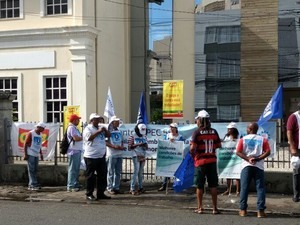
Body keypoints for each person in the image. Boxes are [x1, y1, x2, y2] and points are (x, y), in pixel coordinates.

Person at [236, 122, 271, 218]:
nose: (246, 129)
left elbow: (238, 152)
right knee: (260, 188)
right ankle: (260, 211)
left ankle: (243, 210)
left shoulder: (243, 139)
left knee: (244, 188)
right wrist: (258, 158)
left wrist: (248, 159)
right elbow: (268, 151)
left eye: (247, 128)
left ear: (250, 129)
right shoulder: (262, 139)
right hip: (258, 166)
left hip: (246, 166)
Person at [190, 110, 222, 215]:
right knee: (213, 185)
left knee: (200, 186)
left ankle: (200, 208)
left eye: (197, 119)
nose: (197, 121)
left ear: (200, 120)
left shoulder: (197, 132)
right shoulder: (214, 131)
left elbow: (192, 148)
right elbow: (218, 146)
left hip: (200, 162)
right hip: (212, 161)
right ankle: (215, 208)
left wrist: (193, 156)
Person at [82, 113, 111, 201]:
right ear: (92, 120)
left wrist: (105, 130)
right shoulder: (87, 129)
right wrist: (98, 131)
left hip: (101, 156)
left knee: (102, 175)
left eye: (99, 119)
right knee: (90, 176)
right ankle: (89, 193)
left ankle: (100, 193)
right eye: (96, 119)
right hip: (91, 156)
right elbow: (89, 138)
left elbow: (108, 135)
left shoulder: (100, 127)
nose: (98, 121)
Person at [158, 122, 184, 191]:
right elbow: (164, 143)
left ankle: (175, 185)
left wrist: (175, 142)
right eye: (170, 128)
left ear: (176, 129)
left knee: (176, 171)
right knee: (167, 171)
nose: (171, 129)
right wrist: (168, 141)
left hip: (176, 157)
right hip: (169, 156)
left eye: (173, 128)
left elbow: (181, 146)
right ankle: (164, 185)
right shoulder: (167, 135)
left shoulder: (180, 137)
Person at [106, 116, 126, 195]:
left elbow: (121, 141)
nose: (118, 123)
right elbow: (106, 142)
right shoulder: (108, 131)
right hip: (111, 154)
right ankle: (110, 188)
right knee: (110, 172)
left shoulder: (119, 131)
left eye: (118, 121)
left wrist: (121, 146)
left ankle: (116, 187)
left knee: (118, 172)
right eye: (116, 121)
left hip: (119, 154)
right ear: (112, 122)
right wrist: (114, 146)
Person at [24, 122, 46, 191]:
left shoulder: (40, 134)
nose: (43, 130)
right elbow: (25, 144)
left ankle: (34, 183)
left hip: (36, 154)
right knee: (31, 169)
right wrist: (25, 154)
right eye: (42, 128)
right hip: (30, 153)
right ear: (38, 127)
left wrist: (41, 154)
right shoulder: (31, 133)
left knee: (35, 169)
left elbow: (39, 145)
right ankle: (32, 184)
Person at [128, 123, 148, 195]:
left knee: (141, 172)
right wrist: (138, 144)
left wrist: (145, 145)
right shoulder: (132, 136)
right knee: (136, 171)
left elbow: (147, 147)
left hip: (142, 155)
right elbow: (129, 147)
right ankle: (132, 188)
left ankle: (140, 187)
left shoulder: (144, 136)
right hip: (135, 155)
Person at [221, 122, 240, 196]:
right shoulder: (226, 137)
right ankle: (228, 190)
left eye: (229, 129)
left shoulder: (238, 137)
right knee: (228, 174)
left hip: (236, 158)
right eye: (228, 128)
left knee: (237, 174)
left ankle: (238, 191)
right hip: (228, 158)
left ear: (233, 129)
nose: (228, 130)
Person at [286, 103, 300, 203]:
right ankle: (297, 195)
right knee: (297, 172)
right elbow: (289, 132)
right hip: (297, 149)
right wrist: (292, 147)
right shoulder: (294, 117)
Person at [66, 114, 83, 192]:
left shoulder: (75, 128)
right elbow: (75, 138)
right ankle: (71, 185)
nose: (78, 121)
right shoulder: (71, 128)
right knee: (73, 169)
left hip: (77, 150)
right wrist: (83, 137)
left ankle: (75, 183)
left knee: (76, 169)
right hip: (73, 151)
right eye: (77, 120)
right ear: (73, 120)